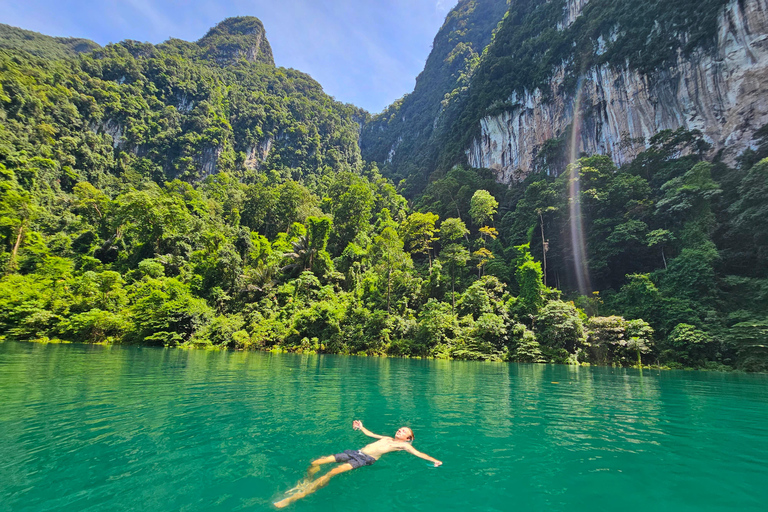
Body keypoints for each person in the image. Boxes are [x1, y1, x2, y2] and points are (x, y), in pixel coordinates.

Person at [274, 420, 442, 508]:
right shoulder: (387, 438)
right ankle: (305, 481)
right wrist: (361, 427)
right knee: (316, 462)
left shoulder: (403, 445)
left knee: (332, 472)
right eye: (400, 428)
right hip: (355, 452)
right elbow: (371, 434)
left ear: (408, 439)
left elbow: (418, 453)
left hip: (364, 460)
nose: (400, 430)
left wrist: (434, 460)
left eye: (404, 431)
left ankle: (296, 497)